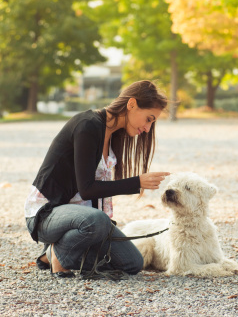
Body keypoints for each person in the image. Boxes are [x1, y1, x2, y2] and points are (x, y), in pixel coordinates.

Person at [24, 80, 170, 278]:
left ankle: (51, 254)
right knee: (98, 221)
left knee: (133, 263)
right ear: (132, 104)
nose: (147, 128)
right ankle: (59, 255)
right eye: (148, 119)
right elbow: (87, 189)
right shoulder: (87, 125)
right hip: (48, 214)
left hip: (86, 220)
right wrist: (137, 182)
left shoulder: (114, 135)